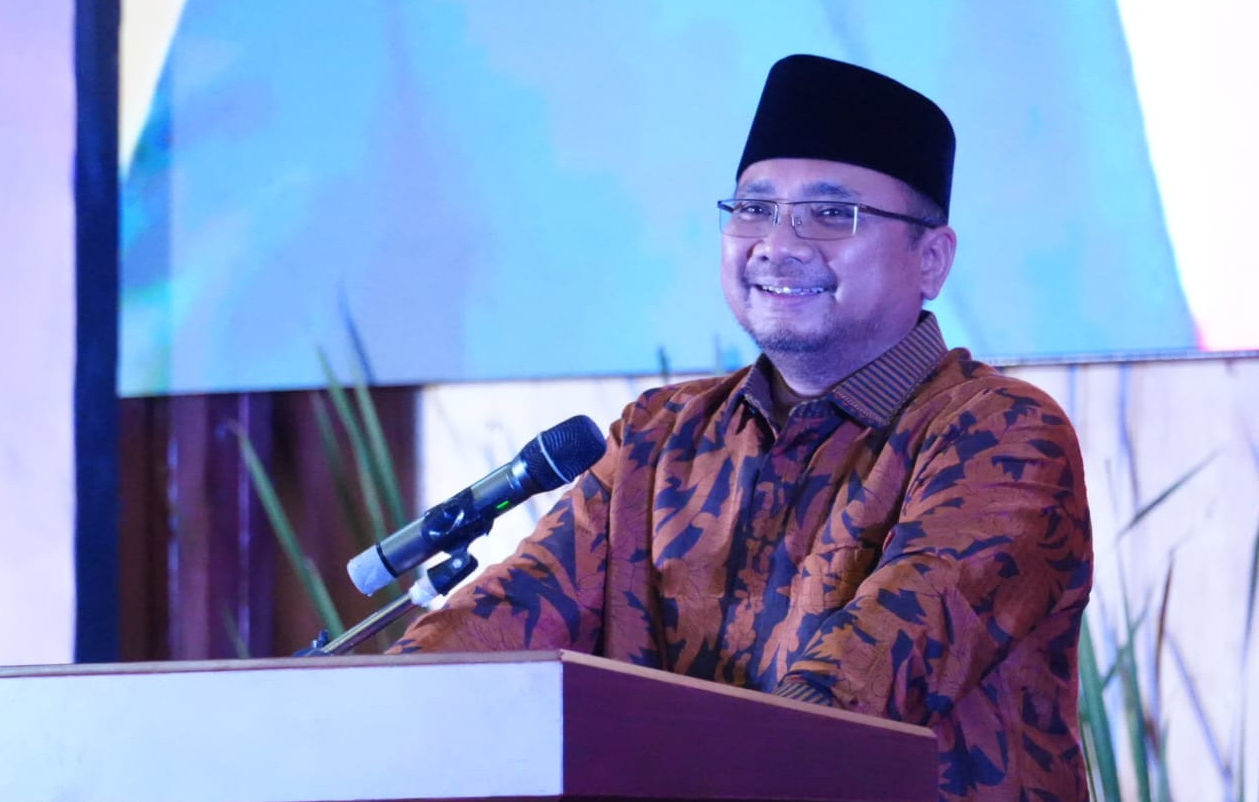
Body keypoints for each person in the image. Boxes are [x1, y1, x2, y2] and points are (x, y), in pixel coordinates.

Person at [389, 54, 1093, 802]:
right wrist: (368, 709)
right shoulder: (659, 437)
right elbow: (505, 622)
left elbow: (860, 688)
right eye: (754, 209)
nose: (778, 245)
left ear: (931, 260)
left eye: (831, 215)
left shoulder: (1000, 433)